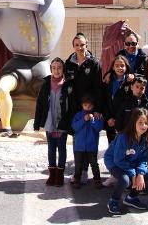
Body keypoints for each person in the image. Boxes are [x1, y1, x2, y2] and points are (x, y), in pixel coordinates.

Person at [104, 108, 148, 215]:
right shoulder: (123, 137)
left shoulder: (145, 139)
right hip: (114, 162)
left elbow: (143, 159)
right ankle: (113, 201)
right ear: (133, 123)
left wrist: (140, 173)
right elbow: (118, 160)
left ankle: (131, 198)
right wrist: (133, 174)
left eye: (146, 123)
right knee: (125, 180)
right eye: (140, 123)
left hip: (131, 162)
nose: (143, 126)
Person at [34, 57, 70, 187]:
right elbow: (40, 104)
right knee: (51, 150)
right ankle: (52, 174)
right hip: (50, 123)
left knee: (62, 149)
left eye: (59, 67)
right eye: (54, 68)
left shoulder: (67, 84)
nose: (56, 70)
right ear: (50, 69)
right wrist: (37, 123)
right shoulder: (45, 84)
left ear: (63, 69)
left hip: (62, 123)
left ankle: (59, 175)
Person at [65, 33, 103, 116]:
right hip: (73, 108)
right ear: (73, 47)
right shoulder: (68, 64)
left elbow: (99, 88)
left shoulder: (94, 63)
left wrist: (97, 109)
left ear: (87, 45)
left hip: (89, 108)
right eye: (77, 45)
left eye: (82, 45)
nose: (79, 48)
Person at [71, 94, 104, 189]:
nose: (87, 108)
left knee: (94, 164)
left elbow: (99, 128)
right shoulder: (78, 115)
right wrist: (83, 120)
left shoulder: (96, 115)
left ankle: (97, 180)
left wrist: (92, 120)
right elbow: (74, 127)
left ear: (93, 106)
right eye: (85, 105)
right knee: (78, 164)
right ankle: (77, 179)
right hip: (79, 146)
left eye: (89, 106)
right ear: (82, 105)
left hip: (91, 145)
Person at [103, 55, 133, 143]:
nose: (120, 68)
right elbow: (104, 101)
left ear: (126, 66)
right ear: (112, 67)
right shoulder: (107, 81)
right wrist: (108, 118)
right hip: (111, 121)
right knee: (112, 147)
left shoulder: (130, 81)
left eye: (122, 65)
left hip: (125, 121)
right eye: (116, 65)